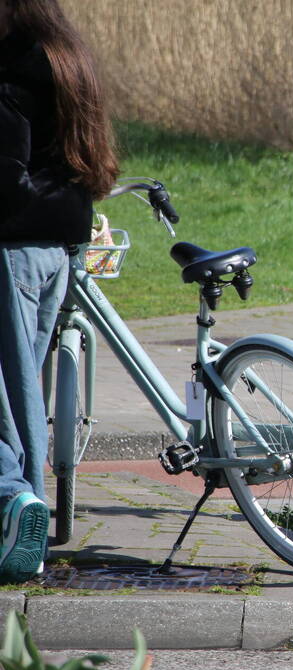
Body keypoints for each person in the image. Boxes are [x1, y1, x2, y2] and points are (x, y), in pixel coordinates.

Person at [0, 0, 117, 582]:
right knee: (23, 393)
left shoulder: (11, 67)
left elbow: (6, 180)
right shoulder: (69, 56)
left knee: (9, 396)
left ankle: (13, 500)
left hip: (13, 249)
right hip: (60, 249)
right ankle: (27, 525)